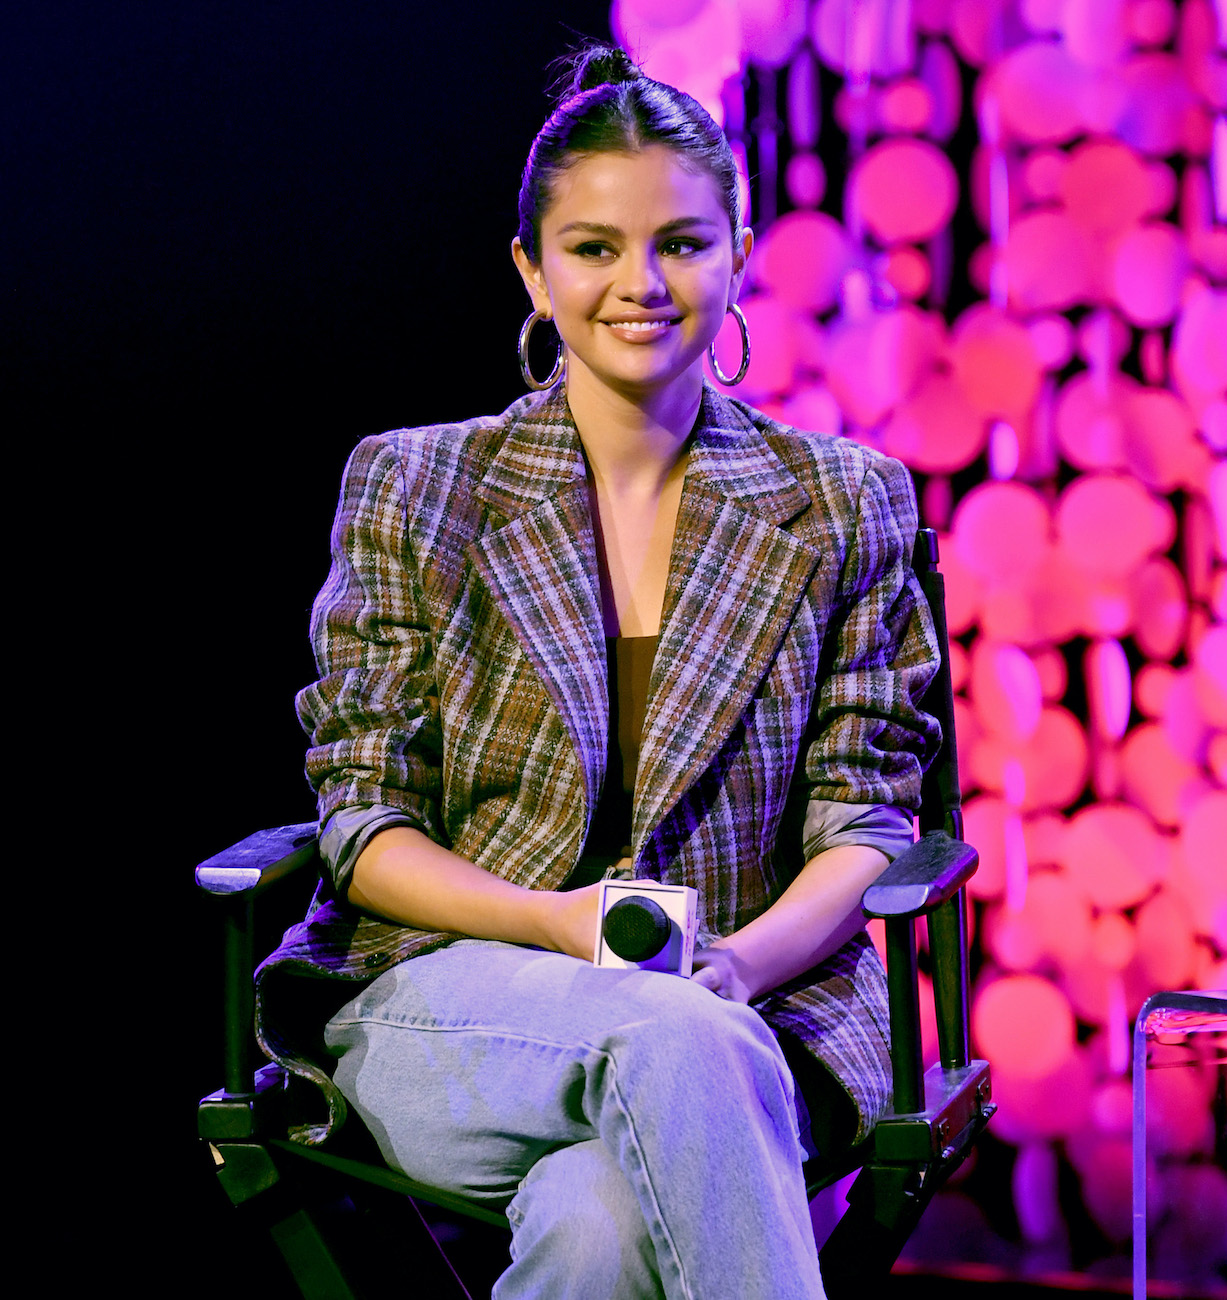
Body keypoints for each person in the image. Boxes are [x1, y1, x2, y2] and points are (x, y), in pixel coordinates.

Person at [255, 43, 941, 1300]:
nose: (642, 284)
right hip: (446, 995)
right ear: (531, 268)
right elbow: (363, 824)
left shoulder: (844, 499)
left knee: (599, 1227)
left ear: (738, 253)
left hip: (756, 1002)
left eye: (681, 243)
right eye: (593, 247)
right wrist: (558, 925)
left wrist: (739, 966)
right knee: (675, 1040)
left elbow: (865, 820)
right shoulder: (418, 486)